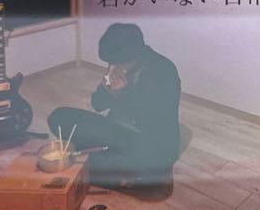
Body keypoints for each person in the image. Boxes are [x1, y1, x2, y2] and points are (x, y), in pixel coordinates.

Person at [49, 23, 185, 198]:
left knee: (156, 181)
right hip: (116, 131)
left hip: (149, 139)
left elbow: (151, 120)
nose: (113, 66)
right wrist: (106, 89)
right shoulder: (118, 64)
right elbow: (97, 105)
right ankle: (104, 162)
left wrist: (122, 94)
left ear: (136, 56)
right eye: (110, 62)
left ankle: (96, 160)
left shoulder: (163, 71)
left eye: (117, 63)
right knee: (59, 117)